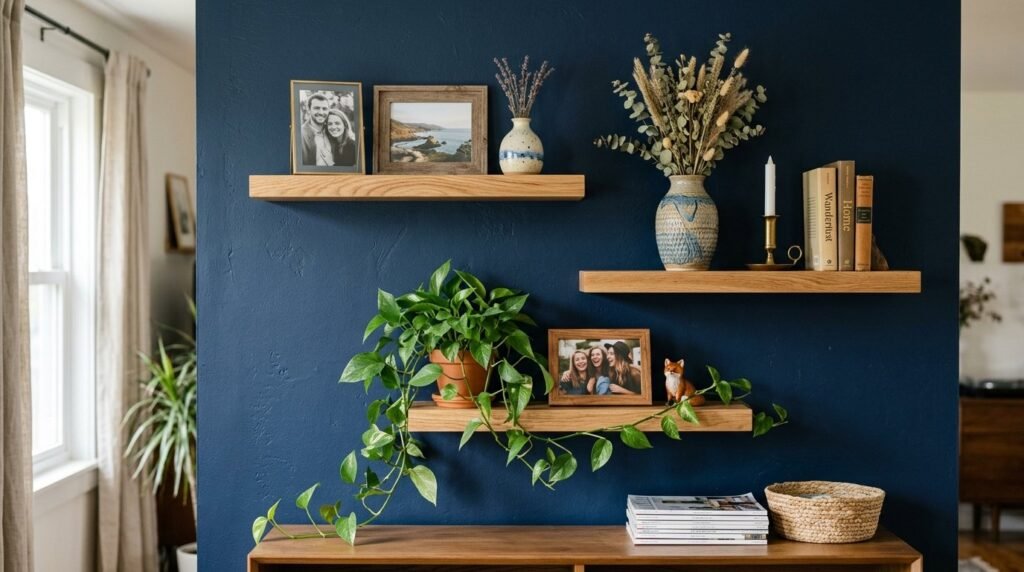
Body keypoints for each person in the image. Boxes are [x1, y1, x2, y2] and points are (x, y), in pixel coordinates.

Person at [301, 93, 333, 166]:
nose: (321, 112)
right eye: (317, 108)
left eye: (324, 109)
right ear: (308, 110)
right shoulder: (301, 134)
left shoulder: (331, 131)